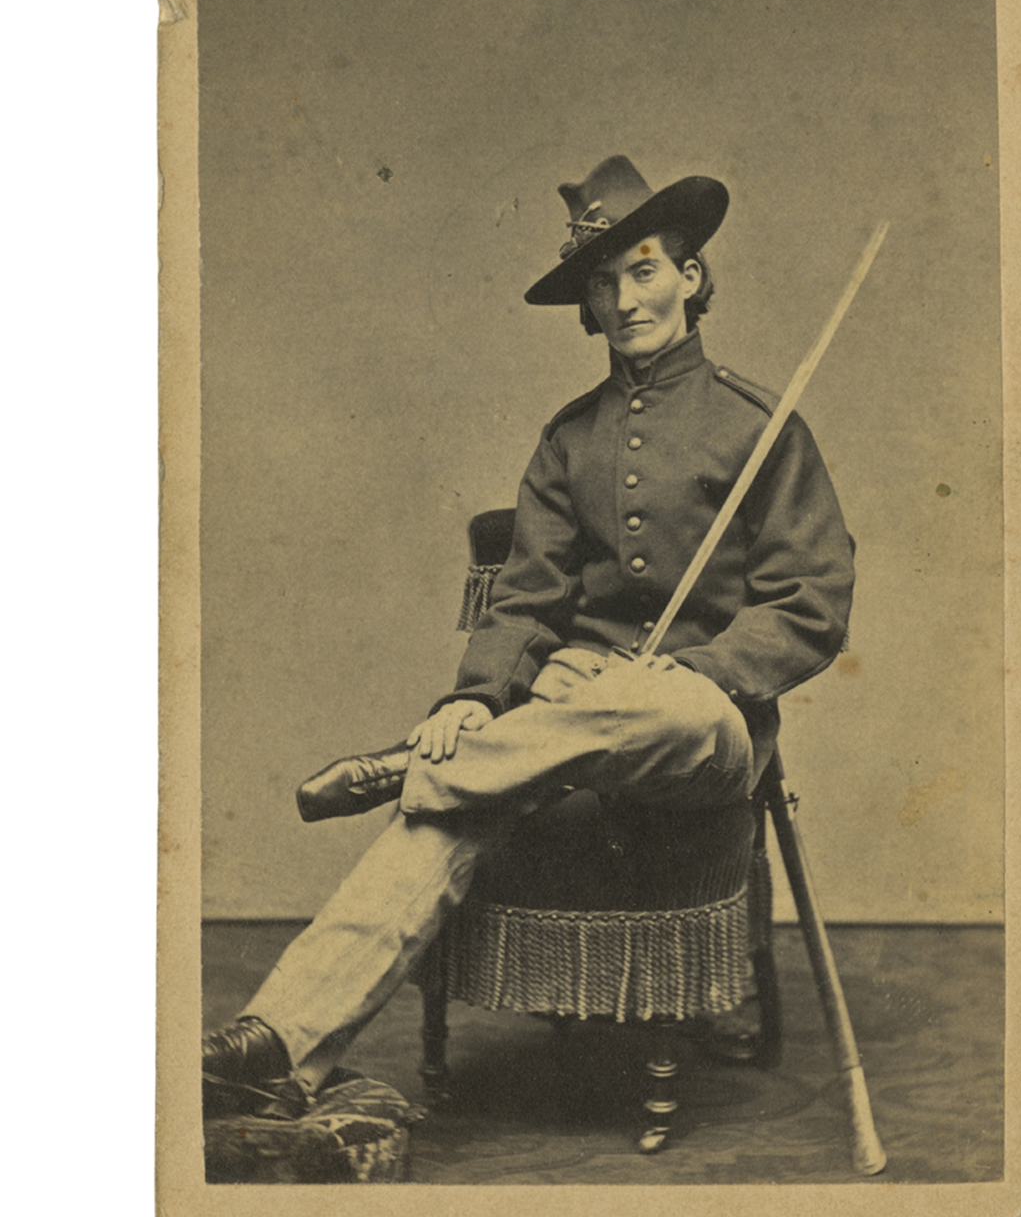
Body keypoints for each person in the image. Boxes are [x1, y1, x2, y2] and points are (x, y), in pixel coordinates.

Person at [202, 155, 856, 1120]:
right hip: (561, 707)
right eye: (603, 281)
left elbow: (809, 604)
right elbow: (525, 598)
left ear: (689, 277)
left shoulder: (761, 428)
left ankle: (414, 765)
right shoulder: (567, 439)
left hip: (703, 723)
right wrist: (473, 696)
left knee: (628, 711)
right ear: (586, 307)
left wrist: (694, 672)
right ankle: (280, 1046)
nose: (626, 297)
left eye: (642, 270)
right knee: (452, 801)